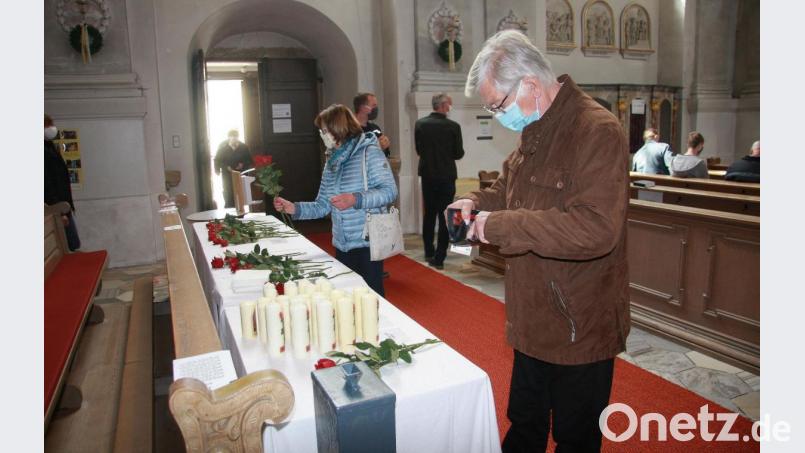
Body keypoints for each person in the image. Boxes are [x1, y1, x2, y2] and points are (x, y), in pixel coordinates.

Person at [450, 30, 629, 452]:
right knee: (525, 423)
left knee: (575, 437)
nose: (498, 115)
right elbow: (508, 189)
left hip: (579, 323)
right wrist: (473, 202)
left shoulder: (597, 130)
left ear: (529, 85)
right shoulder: (536, 127)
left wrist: (501, 226)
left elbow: (596, 230)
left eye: (498, 105)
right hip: (531, 317)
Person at [273, 104, 397, 297]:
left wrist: (355, 199)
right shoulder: (332, 160)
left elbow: (389, 191)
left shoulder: (368, 152)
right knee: (346, 299)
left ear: (338, 128)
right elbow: (323, 205)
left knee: (371, 300)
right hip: (342, 243)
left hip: (366, 242)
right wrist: (294, 208)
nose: (322, 135)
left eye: (324, 130)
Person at [415, 93, 465, 269]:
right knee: (445, 216)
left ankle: (428, 251)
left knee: (429, 214)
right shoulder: (453, 126)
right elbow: (458, 153)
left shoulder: (420, 124)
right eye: (449, 104)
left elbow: (418, 149)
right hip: (446, 176)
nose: (450, 107)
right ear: (443, 106)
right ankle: (439, 257)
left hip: (428, 175)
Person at [44, 114, 81, 251]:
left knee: (73, 244)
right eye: (47, 125)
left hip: (63, 204)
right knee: (72, 244)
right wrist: (59, 211)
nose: (51, 128)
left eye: (50, 124)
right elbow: (46, 184)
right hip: (56, 207)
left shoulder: (49, 146)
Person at [214, 129, 253, 208]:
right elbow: (217, 160)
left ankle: (241, 208)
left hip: (241, 173)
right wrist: (224, 167)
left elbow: (249, 159)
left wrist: (243, 164)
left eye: (236, 137)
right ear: (229, 137)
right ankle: (229, 207)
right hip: (227, 173)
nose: (234, 139)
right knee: (228, 191)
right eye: (232, 137)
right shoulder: (222, 147)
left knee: (240, 190)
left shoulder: (243, 147)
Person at [353, 92, 392, 157]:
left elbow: (386, 155)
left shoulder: (375, 129)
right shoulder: (349, 130)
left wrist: (385, 145)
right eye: (374, 105)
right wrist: (376, 147)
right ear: (362, 107)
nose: (376, 108)